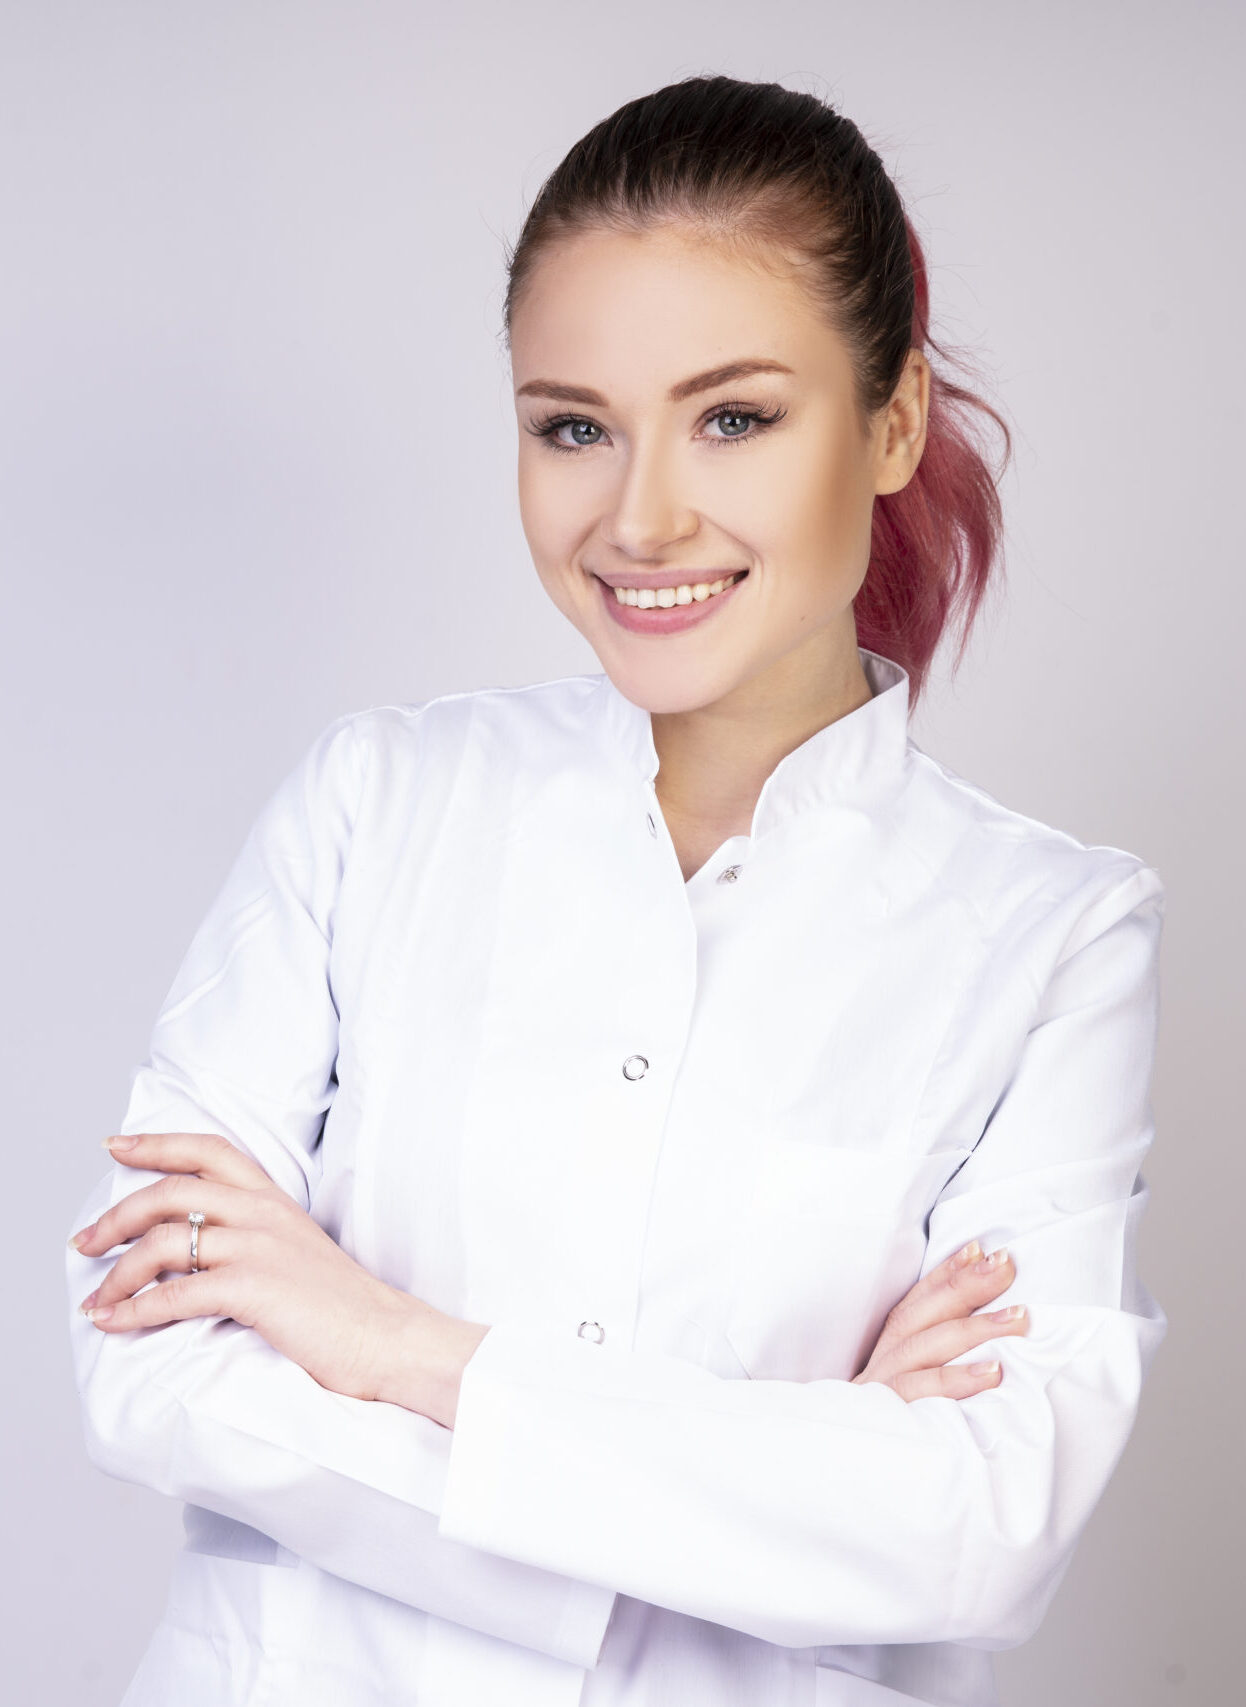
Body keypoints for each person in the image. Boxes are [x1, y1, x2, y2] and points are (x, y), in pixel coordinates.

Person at [65, 73, 1166, 1707]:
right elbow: (148, 1363)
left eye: (733, 416)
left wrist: (390, 1345)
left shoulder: (1051, 933)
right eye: (573, 425)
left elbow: (976, 1532)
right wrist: (793, 1481)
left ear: (890, 422)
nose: (639, 514)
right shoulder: (375, 804)